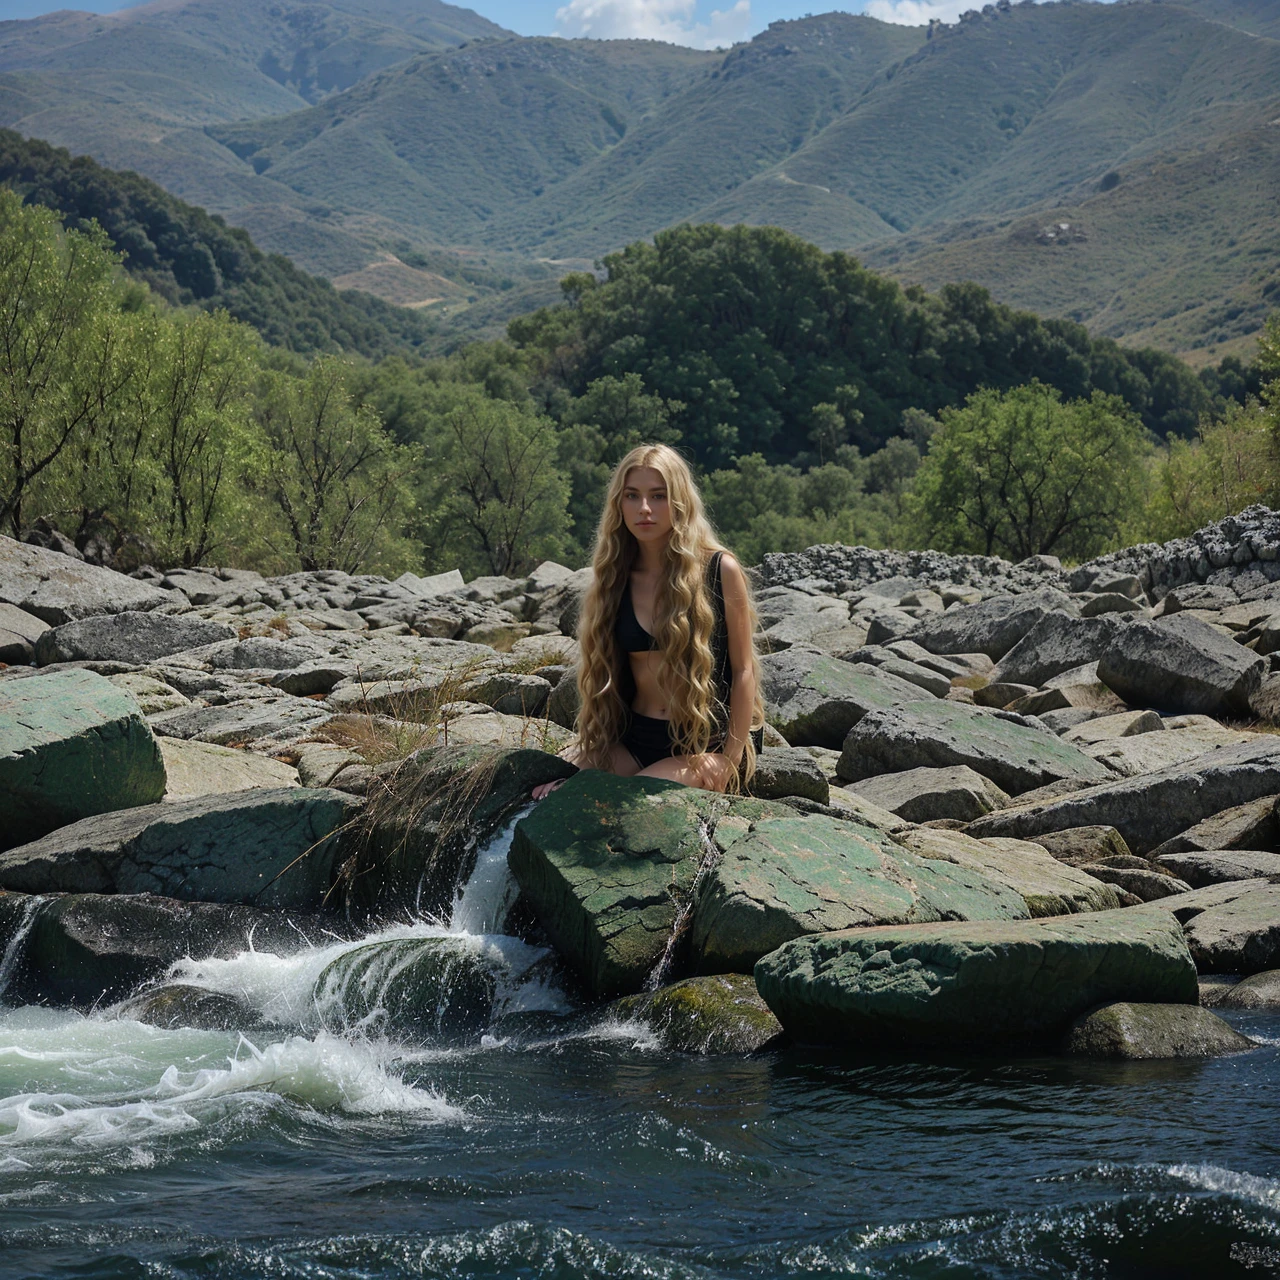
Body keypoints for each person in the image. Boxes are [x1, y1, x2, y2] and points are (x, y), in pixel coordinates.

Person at [533, 443, 764, 798]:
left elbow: (744, 670)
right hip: (633, 739)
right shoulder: (614, 577)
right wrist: (591, 748)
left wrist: (729, 760)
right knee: (549, 791)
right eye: (632, 496)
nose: (644, 509)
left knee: (629, 803)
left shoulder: (719, 570)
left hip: (703, 744)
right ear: (618, 504)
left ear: (680, 502)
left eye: (658, 496)